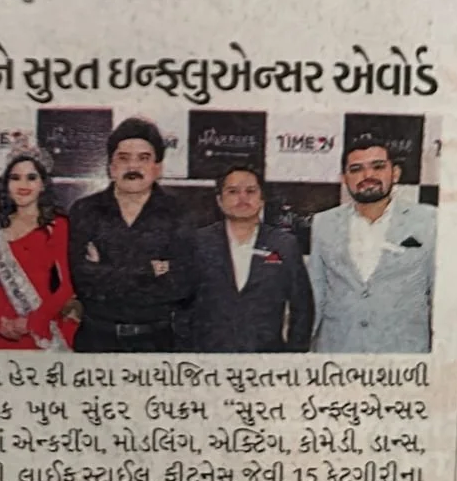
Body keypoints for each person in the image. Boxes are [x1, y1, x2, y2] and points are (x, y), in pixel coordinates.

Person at [68, 117, 196, 352]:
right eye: (124, 158)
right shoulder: (84, 210)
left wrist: (106, 270)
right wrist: (150, 270)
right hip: (96, 341)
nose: (133, 167)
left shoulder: (179, 212)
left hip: (157, 343)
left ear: (158, 168)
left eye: (143, 158)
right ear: (111, 166)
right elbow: (83, 282)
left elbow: (181, 286)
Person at [308, 133, 437, 354]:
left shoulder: (429, 220)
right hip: (337, 353)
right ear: (344, 178)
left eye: (378, 167)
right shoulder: (323, 223)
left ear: (395, 173)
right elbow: (316, 292)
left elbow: (440, 292)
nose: (368, 175)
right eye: (356, 169)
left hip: (404, 357)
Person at [193, 164, 314, 353]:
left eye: (250, 191)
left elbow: (302, 308)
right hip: (207, 361)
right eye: (233, 191)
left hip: (267, 361)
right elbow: (183, 306)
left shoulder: (284, 244)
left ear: (262, 199)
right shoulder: (198, 243)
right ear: (219, 200)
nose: (243, 198)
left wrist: (294, 358)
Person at [0, 148, 78, 350]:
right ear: (7, 185)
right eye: (15, 178)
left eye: (31, 177)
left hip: (44, 328)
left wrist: (33, 321)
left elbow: (68, 285)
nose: (23, 185)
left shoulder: (57, 226)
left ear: (42, 185)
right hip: (4, 331)